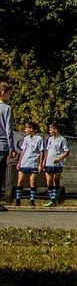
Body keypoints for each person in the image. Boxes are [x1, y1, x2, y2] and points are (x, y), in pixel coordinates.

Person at [15, 122, 45, 207]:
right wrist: (19, 162)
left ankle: (32, 200)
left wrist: (40, 164)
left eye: (27, 128)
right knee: (20, 181)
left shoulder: (39, 139)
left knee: (32, 181)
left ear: (32, 129)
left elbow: (41, 151)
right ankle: (18, 199)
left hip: (33, 162)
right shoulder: (26, 138)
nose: (25, 130)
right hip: (24, 162)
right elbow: (22, 151)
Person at [42, 122, 70, 207]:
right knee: (48, 181)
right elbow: (47, 151)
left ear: (55, 129)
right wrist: (44, 161)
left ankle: (54, 198)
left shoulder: (62, 139)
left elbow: (67, 151)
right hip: (48, 163)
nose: (49, 131)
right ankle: (52, 199)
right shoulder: (50, 139)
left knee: (56, 180)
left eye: (51, 129)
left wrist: (59, 159)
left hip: (57, 164)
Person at [0, 82, 11, 211]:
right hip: (2, 145)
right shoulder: (7, 108)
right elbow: (8, 130)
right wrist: (12, 147)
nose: (9, 95)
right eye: (9, 93)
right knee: (0, 174)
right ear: (3, 93)